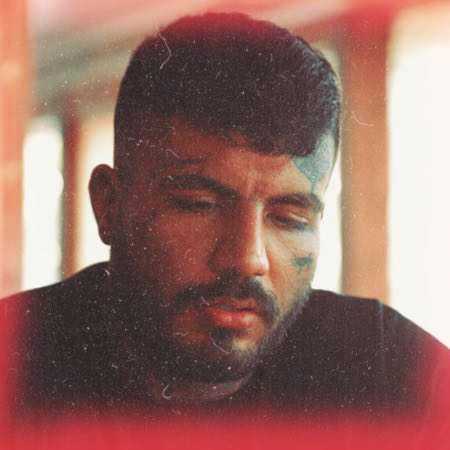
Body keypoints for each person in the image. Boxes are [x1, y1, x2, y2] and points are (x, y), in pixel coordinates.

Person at [2, 12, 448, 420]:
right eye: (199, 204)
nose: (247, 259)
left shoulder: (392, 370)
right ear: (108, 204)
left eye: (289, 218)